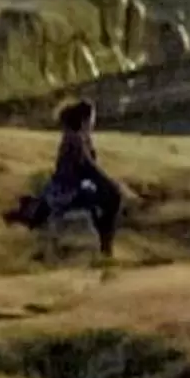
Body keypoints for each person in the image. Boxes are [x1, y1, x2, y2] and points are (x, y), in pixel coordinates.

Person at [41, 99, 123, 259]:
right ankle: (105, 246)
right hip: (68, 192)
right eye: (92, 117)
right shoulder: (75, 139)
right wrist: (109, 184)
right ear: (85, 118)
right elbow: (88, 168)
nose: (94, 121)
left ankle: (103, 243)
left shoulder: (79, 137)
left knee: (108, 197)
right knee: (114, 196)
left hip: (73, 187)